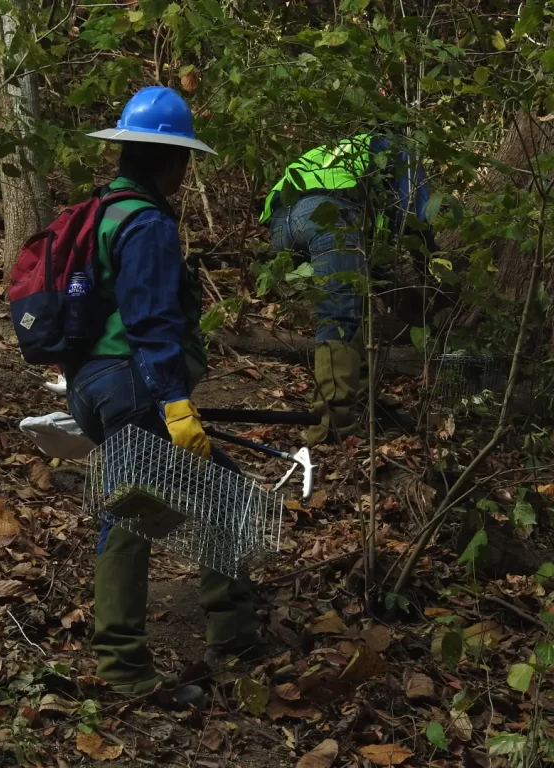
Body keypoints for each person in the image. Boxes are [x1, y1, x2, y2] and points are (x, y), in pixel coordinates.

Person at [68, 86, 260, 708]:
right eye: (185, 159)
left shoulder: (103, 209)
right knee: (143, 511)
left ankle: (228, 641)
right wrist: (175, 405)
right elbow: (151, 323)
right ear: (171, 161)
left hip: (94, 384)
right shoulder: (147, 222)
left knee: (203, 497)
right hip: (134, 386)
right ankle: (129, 666)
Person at [260, 134, 436, 444]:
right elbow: (415, 217)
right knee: (339, 315)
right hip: (327, 212)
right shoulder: (401, 150)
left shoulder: (349, 147)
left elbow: (375, 269)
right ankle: (332, 425)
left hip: (281, 224)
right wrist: (430, 263)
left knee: (355, 304)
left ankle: (366, 404)